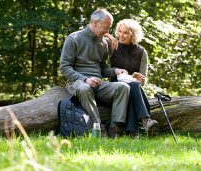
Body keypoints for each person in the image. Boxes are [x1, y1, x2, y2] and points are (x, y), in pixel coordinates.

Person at [59, 9, 130, 138]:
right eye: (106, 28)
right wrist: (85, 79)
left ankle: (115, 128)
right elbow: (64, 67)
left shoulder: (103, 42)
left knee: (123, 87)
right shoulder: (74, 38)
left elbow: (103, 69)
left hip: (98, 83)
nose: (108, 32)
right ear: (95, 23)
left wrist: (115, 71)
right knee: (85, 88)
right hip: (78, 82)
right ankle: (98, 126)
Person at [106, 19, 158, 137]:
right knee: (130, 87)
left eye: (125, 33)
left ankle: (134, 132)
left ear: (133, 35)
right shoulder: (112, 46)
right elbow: (103, 70)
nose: (121, 35)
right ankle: (143, 122)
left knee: (134, 85)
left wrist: (142, 79)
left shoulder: (141, 52)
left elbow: (143, 79)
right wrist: (107, 35)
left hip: (134, 86)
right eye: (119, 31)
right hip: (116, 85)